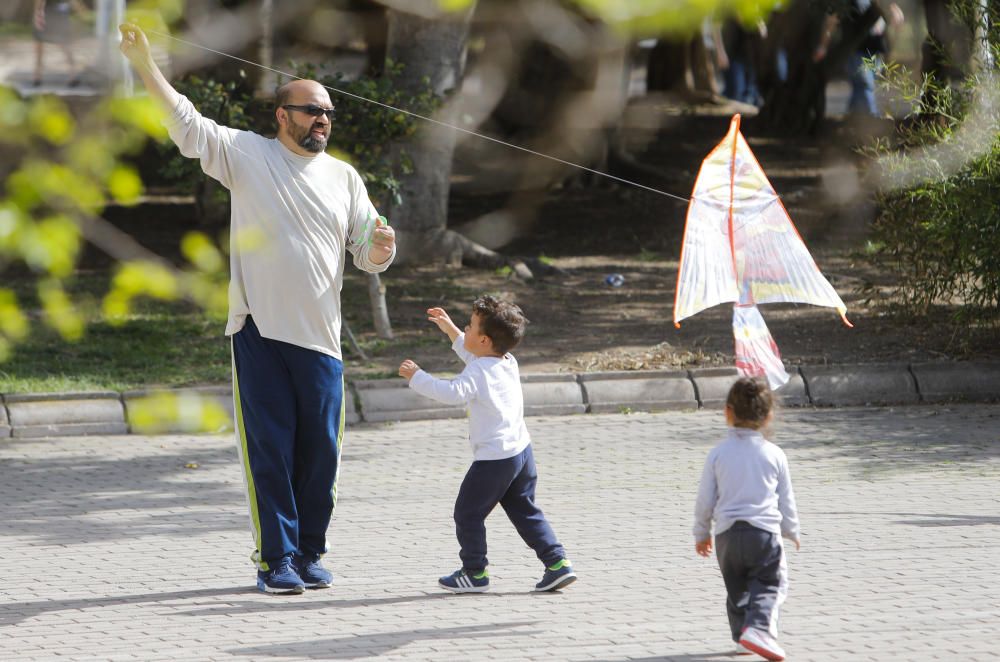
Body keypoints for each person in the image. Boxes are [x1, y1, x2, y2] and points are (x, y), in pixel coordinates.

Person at [118, 23, 397, 595]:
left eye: (327, 112)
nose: (321, 119)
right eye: (310, 110)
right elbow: (187, 125)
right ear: (282, 116)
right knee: (270, 452)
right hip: (258, 332)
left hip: (322, 340)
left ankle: (311, 553)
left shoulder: (345, 177)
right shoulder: (247, 154)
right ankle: (277, 561)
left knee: (320, 458)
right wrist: (147, 67)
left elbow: (369, 253)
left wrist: (383, 249)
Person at [398, 296, 576, 594]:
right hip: (521, 453)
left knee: (467, 513)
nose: (465, 329)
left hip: (495, 460)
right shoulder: (505, 361)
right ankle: (557, 563)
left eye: (469, 326)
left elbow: (453, 392)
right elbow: (473, 355)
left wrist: (418, 377)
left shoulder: (479, 372)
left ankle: (474, 572)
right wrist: (451, 329)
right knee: (524, 509)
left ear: (483, 339)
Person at [693, 377, 800, 661]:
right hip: (763, 534)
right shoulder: (774, 454)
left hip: (726, 537)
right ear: (768, 416)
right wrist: (791, 530)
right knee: (769, 583)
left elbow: (705, 498)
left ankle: (742, 637)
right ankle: (761, 629)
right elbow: (785, 499)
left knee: (737, 588)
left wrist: (701, 532)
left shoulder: (718, 454)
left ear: (728, 412)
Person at [33, 0, 86, 87]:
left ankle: (37, 76)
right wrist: (81, 13)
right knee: (64, 47)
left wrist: (37, 13)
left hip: (51, 15)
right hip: (57, 15)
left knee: (41, 47)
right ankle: (72, 75)